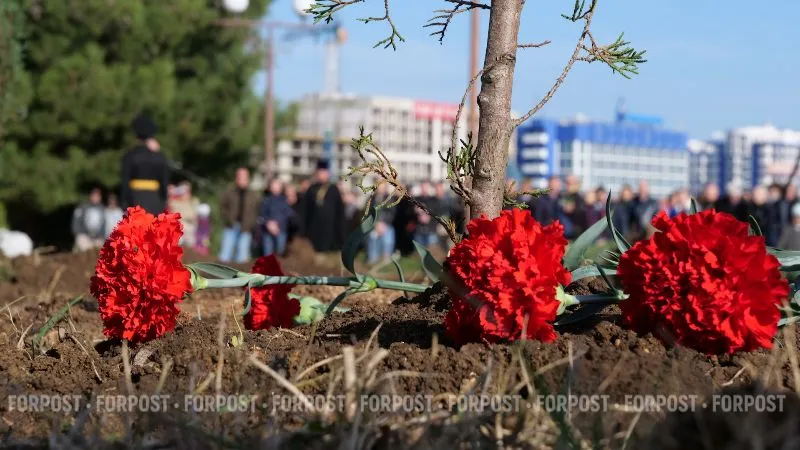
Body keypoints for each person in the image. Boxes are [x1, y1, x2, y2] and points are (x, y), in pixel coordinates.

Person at [121, 113, 170, 215]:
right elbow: (164, 182)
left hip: (135, 200)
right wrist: (164, 200)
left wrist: (124, 203)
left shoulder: (129, 156)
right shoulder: (159, 157)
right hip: (155, 201)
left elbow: (125, 182)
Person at [303, 160, 346, 256]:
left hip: (330, 227)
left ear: (328, 173)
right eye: (320, 173)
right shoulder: (311, 189)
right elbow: (306, 210)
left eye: (324, 173)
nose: (322, 175)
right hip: (314, 227)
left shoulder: (334, 189)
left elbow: (339, 210)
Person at [219, 167, 261, 263]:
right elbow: (222, 207)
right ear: (236, 178)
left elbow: (257, 211)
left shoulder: (254, 195)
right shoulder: (229, 192)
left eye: (244, 177)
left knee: (242, 258)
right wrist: (228, 219)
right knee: (224, 256)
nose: (242, 179)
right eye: (240, 177)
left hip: (246, 229)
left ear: (248, 178)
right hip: (230, 227)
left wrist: (251, 223)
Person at [258, 179, 294, 257]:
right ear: (270, 187)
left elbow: (289, 214)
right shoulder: (266, 200)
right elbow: (261, 215)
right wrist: (268, 224)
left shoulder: (285, 200)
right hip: (267, 231)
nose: (275, 188)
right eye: (273, 186)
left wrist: (277, 224)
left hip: (281, 230)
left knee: (279, 253)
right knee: (268, 254)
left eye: (277, 186)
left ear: (281, 188)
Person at [366, 183, 396, 264]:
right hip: (374, 225)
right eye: (379, 186)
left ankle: (386, 259)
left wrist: (384, 224)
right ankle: (372, 260)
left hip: (386, 225)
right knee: (372, 239)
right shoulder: (371, 199)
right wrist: (376, 224)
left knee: (388, 237)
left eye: (382, 187)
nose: (380, 188)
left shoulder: (390, 198)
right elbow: (368, 213)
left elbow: (392, 213)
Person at [168, 182, 199, 247]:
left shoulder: (194, 201)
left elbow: (193, 216)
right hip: (180, 229)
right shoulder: (174, 202)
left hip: (189, 230)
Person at [413, 181, 441, 248]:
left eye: (426, 187)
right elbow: (410, 214)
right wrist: (415, 211)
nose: (424, 189)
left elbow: (438, 215)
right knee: (419, 251)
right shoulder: (416, 199)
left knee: (432, 251)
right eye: (423, 187)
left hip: (431, 230)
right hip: (419, 230)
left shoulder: (434, 200)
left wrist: (429, 218)